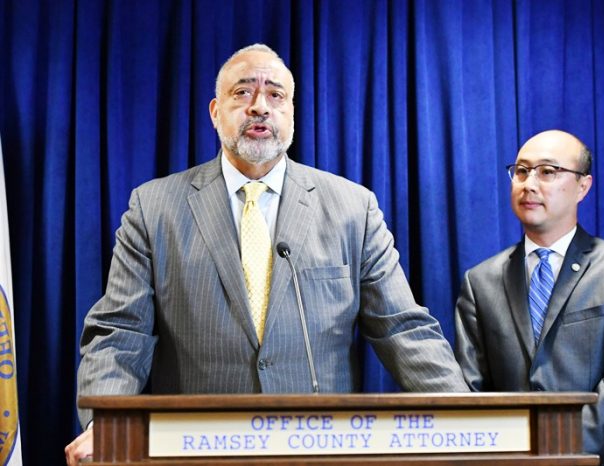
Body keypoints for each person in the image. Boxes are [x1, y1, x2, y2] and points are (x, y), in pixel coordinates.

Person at [64, 43, 468, 464]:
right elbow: (120, 333)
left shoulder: (353, 208)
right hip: (198, 450)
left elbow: (402, 329)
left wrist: (464, 418)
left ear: (292, 113)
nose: (260, 106)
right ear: (215, 112)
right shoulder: (154, 208)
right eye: (242, 93)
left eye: (275, 95)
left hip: (318, 451)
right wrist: (104, 424)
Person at [454, 129, 604, 465]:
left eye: (548, 172)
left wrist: (557, 455)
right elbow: (472, 389)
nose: (529, 184)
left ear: (583, 187)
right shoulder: (480, 281)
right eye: (521, 171)